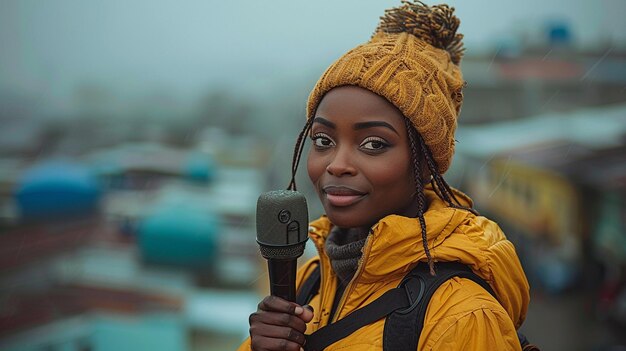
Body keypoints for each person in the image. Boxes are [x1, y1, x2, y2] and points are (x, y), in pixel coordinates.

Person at [238, 1, 530, 350]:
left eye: (374, 143)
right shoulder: (310, 280)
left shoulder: (461, 317)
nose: (337, 164)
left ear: (425, 163)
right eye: (323, 140)